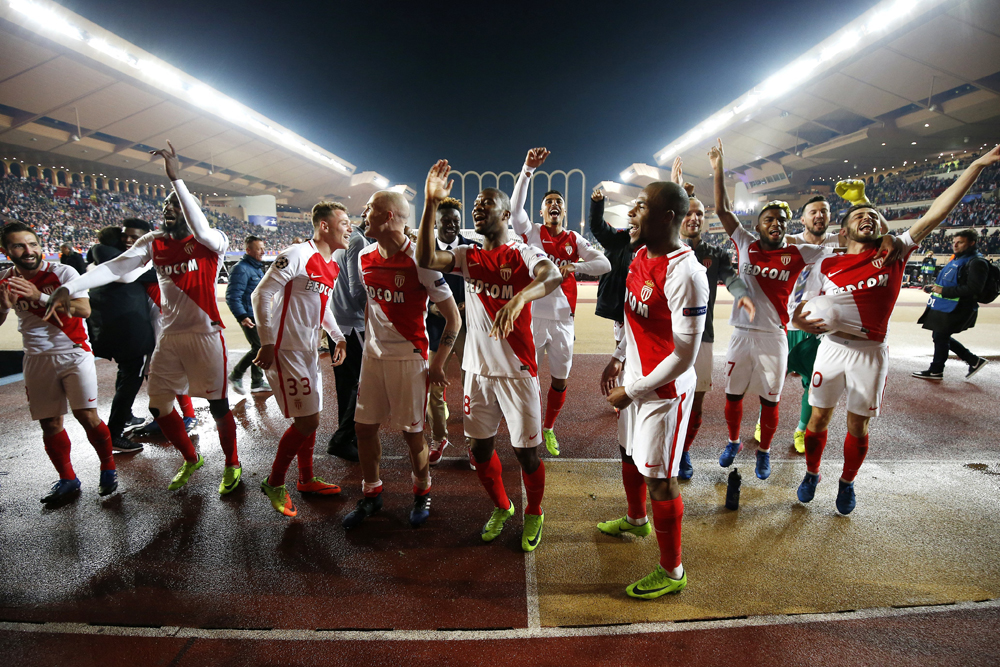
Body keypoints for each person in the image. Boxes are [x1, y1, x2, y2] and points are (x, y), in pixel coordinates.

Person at [792, 144, 1000, 514]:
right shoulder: (826, 263)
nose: (867, 217)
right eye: (859, 214)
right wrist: (797, 321)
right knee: (819, 419)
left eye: (873, 213)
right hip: (831, 348)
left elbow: (939, 211)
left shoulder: (894, 252)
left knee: (858, 427)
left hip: (870, 353)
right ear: (842, 233)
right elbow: (795, 308)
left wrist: (977, 166)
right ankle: (811, 473)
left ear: (882, 226)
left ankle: (847, 482)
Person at [46, 141, 242, 496]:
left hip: (205, 334)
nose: (169, 210)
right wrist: (72, 285)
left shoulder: (212, 240)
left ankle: (232, 463)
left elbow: (199, 227)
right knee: (159, 405)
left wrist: (176, 181)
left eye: (176, 206)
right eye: (166, 205)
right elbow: (117, 268)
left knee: (217, 405)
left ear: (190, 209)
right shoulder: (154, 242)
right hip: (169, 337)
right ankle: (191, 458)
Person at [416, 159, 561, 552]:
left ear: (506, 213)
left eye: (485, 204)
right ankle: (502, 506)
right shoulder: (467, 256)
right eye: (475, 207)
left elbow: (553, 276)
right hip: (477, 372)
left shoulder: (521, 253)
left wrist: (520, 296)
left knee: (526, 455)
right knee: (479, 452)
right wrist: (430, 203)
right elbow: (427, 259)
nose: (477, 209)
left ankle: (534, 512)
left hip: (517, 372)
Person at [597, 180, 709, 599]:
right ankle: (635, 519)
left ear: (666, 217)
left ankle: (673, 570)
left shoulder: (688, 274)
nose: (631, 213)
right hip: (637, 380)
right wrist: (618, 356)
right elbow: (630, 314)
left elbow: (684, 356)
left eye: (640, 206)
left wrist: (633, 390)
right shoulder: (641, 254)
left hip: (664, 394)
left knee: (661, 479)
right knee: (628, 454)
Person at [708, 139, 833, 481]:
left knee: (770, 401)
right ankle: (733, 441)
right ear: (759, 224)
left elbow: (836, 247)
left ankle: (763, 452)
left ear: (786, 225)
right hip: (740, 335)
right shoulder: (745, 242)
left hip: (774, 337)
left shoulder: (799, 253)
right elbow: (721, 210)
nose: (775, 223)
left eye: (780, 219)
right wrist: (719, 166)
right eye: (769, 219)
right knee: (733, 396)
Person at [342, 191, 460, 529]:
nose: (364, 210)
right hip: (374, 359)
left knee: (412, 435)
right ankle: (371, 493)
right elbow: (371, 307)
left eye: (372, 207)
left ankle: (422, 490)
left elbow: (454, 318)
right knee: (363, 428)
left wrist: (438, 364)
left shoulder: (421, 261)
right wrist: (367, 346)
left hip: (409, 359)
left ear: (391, 215)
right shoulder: (364, 255)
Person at [0, 222, 118, 502]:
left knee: (87, 416)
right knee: (50, 423)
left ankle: (108, 468)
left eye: (33, 244)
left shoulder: (63, 272)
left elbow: (83, 310)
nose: (29, 251)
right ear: (6, 251)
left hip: (74, 352)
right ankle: (68, 479)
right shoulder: (5, 280)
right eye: (19, 245)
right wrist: (3, 305)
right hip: (36, 357)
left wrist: (37, 296)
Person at [510, 148, 611, 456]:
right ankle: (525, 425)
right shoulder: (532, 232)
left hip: (564, 321)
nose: (554, 205)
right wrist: (527, 169)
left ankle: (549, 427)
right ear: (541, 212)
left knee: (560, 379)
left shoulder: (573, 239)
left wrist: (575, 266)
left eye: (558, 203)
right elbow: (515, 209)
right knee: (524, 375)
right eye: (549, 203)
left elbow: (604, 264)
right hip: (533, 316)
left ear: (564, 212)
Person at [252, 202, 351, 517]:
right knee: (308, 421)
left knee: (311, 418)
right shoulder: (297, 254)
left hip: (308, 352)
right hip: (286, 350)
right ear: (324, 226)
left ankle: (306, 479)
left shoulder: (332, 264)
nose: (349, 228)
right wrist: (266, 342)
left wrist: (338, 336)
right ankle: (275, 481)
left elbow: (322, 308)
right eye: (344, 222)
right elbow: (261, 294)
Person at [673, 173, 754, 480]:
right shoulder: (666, 249)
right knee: (664, 396)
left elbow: (731, 277)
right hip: (668, 335)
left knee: (696, 401)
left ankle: (683, 451)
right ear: (678, 216)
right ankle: (663, 447)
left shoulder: (715, 254)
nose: (694, 218)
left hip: (702, 337)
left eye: (699, 214)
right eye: (688, 212)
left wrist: (742, 295)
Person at [87, 221, 155, 453]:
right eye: (125, 237)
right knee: (131, 379)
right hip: (128, 331)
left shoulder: (103, 259)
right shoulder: (119, 262)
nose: (129, 241)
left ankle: (125, 417)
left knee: (126, 373)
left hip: (114, 330)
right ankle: (115, 433)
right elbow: (156, 273)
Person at [425, 196, 479, 467]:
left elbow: (484, 286)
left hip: (469, 329)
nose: (451, 225)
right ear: (436, 222)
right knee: (432, 387)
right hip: (436, 329)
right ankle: (438, 437)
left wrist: (469, 304)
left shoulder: (473, 249)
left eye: (456, 221)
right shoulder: (425, 251)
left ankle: (473, 442)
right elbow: (418, 286)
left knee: (473, 386)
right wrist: (432, 307)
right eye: (445, 220)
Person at [913, 228, 990, 380]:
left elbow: (973, 288)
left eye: (960, 242)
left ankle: (936, 370)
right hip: (946, 306)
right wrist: (933, 288)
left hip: (959, 307)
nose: (955, 245)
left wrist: (943, 291)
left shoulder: (977, 262)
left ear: (972, 243)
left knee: (940, 336)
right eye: (954, 242)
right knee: (940, 336)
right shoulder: (957, 259)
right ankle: (973, 361)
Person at [326, 211, 371, 462]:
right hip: (353, 324)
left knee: (345, 383)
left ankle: (348, 436)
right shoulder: (358, 241)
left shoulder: (346, 239)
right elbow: (357, 289)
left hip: (338, 321)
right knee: (361, 383)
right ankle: (342, 438)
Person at [226, 235, 269, 394]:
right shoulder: (241, 268)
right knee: (259, 347)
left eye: (263, 248)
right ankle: (236, 374)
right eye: (259, 249)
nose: (263, 251)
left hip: (256, 314)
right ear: (248, 250)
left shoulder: (255, 268)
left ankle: (257, 382)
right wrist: (242, 316)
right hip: (249, 315)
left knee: (260, 347)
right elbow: (233, 295)